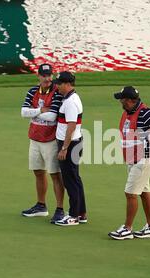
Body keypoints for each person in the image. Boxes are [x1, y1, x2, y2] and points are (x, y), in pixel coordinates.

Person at [108, 86, 150, 240]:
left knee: (130, 193)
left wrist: (148, 138)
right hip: (133, 158)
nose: (120, 102)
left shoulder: (146, 113)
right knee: (144, 192)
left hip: (143, 159)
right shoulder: (128, 112)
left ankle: (127, 228)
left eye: (122, 99)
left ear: (131, 100)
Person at [39, 71, 87, 226]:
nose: (57, 86)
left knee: (70, 181)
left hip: (71, 144)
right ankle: (81, 213)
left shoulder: (71, 101)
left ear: (67, 84)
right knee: (75, 179)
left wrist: (64, 148)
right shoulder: (69, 98)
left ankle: (73, 215)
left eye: (59, 83)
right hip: (72, 143)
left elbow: (71, 126)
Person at [20, 63, 66, 223]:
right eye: (44, 75)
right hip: (35, 138)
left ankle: (60, 209)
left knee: (55, 174)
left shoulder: (57, 92)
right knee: (38, 172)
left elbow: (52, 116)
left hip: (50, 140)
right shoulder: (33, 91)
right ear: (38, 76)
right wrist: (40, 111)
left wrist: (33, 114)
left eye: (49, 75)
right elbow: (23, 112)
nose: (47, 78)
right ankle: (41, 206)